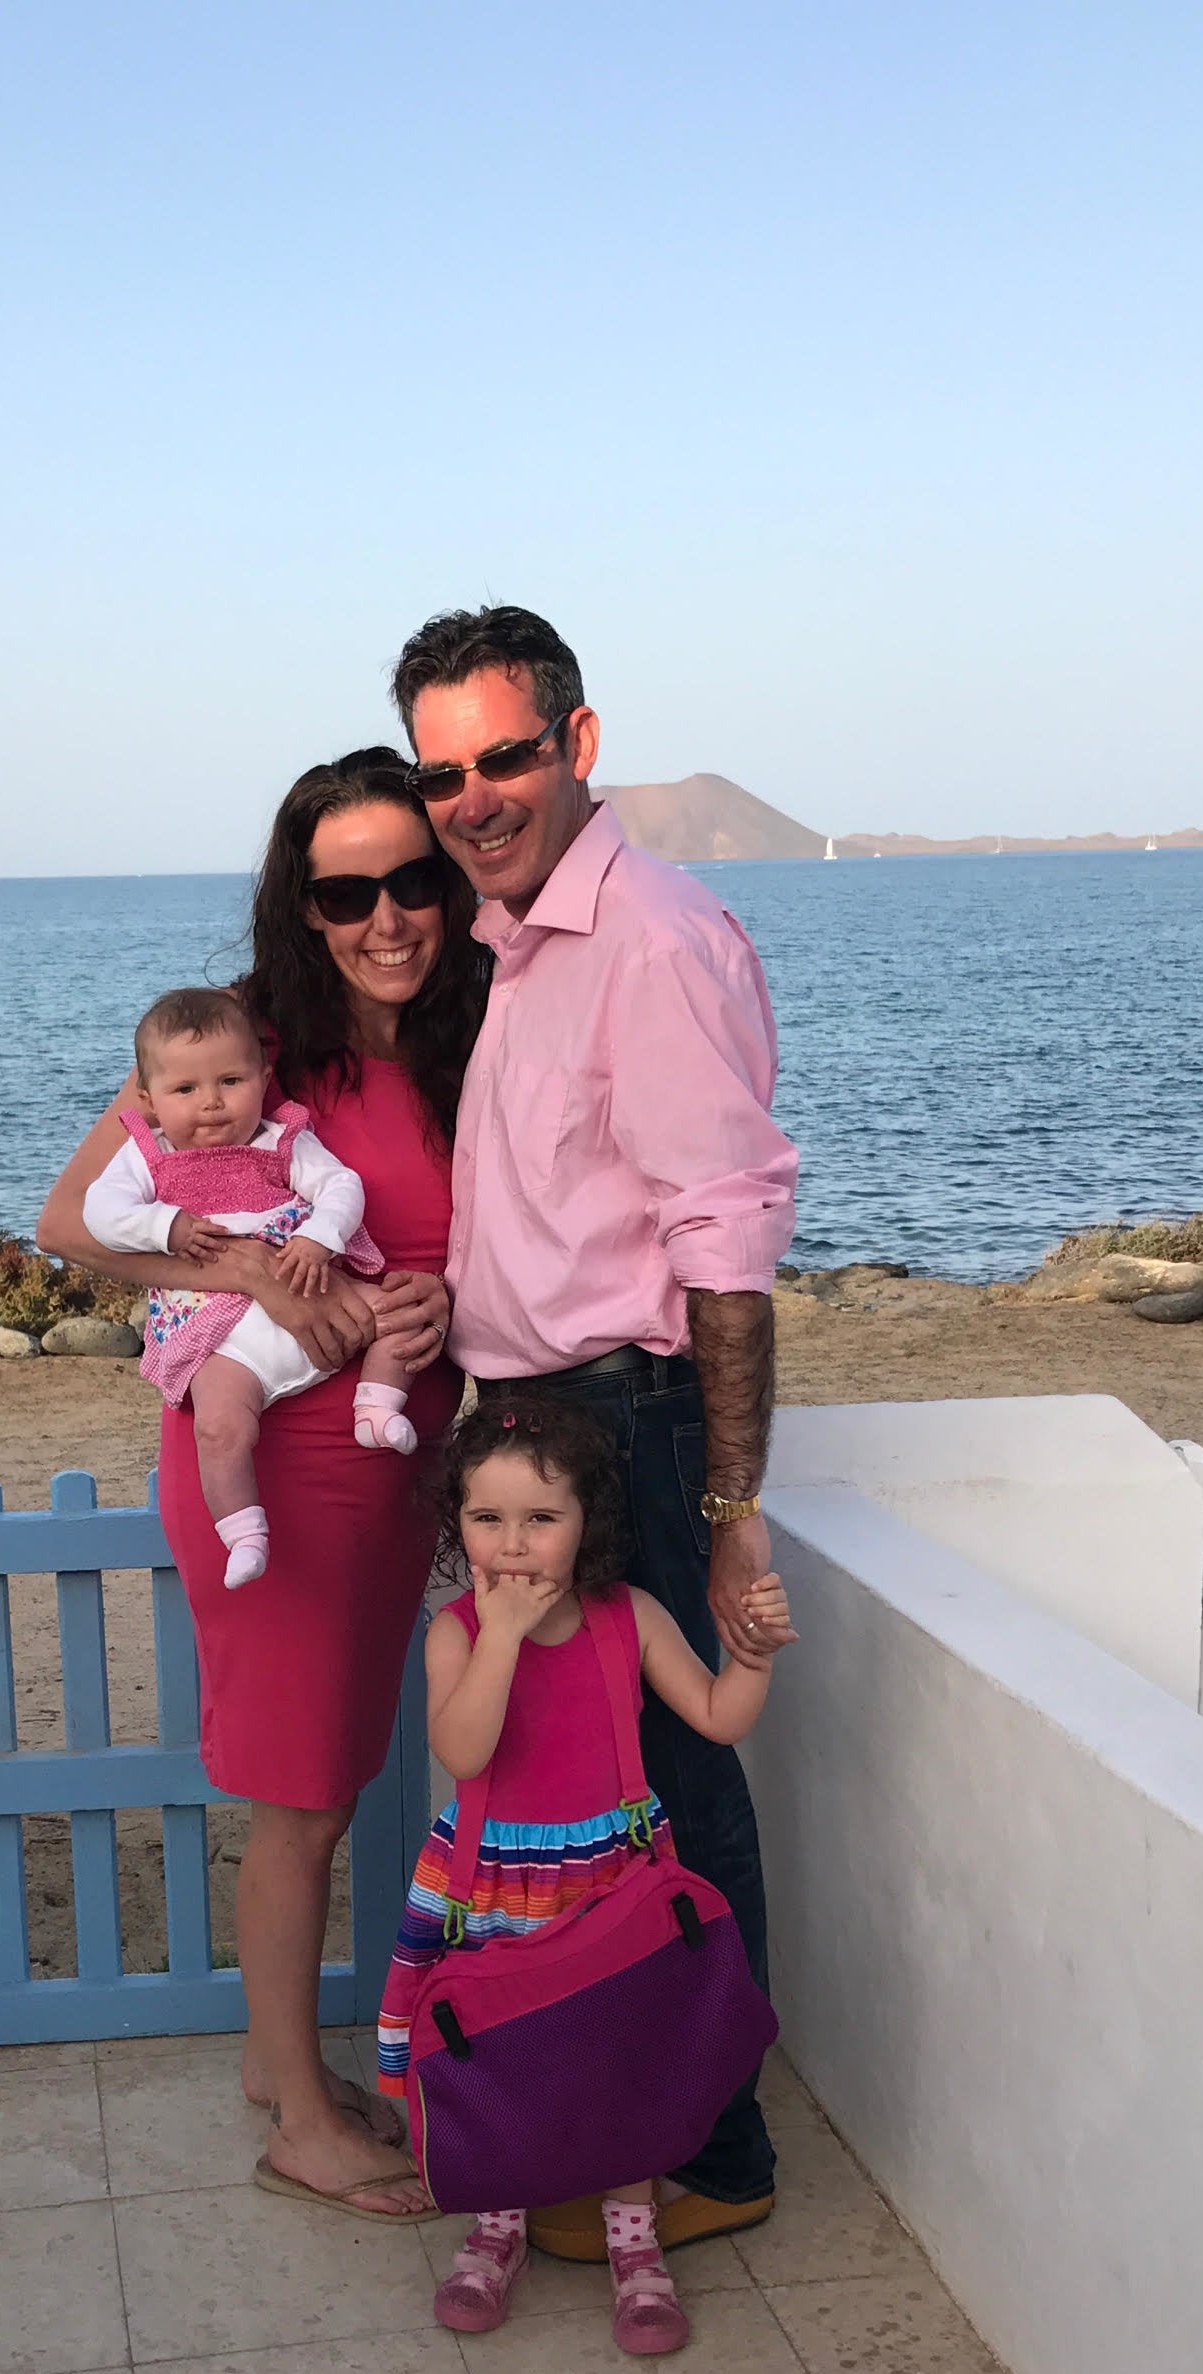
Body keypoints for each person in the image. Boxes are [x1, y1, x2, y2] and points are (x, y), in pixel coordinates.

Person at [392, 603, 800, 2262]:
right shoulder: (523, 940)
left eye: (503, 757)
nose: (476, 796)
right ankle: (630, 2116)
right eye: (445, 773)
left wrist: (728, 1504)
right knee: (597, 1807)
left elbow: (726, 1243)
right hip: (540, 1421)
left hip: (628, 1425)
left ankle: (723, 2150)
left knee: (678, 1801)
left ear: (577, 743)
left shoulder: (647, 936)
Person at [39, 749, 486, 2216]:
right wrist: (254, 1279)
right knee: (296, 1792)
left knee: (337, 1766)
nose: (385, 918)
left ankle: (273, 2062)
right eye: (345, 891)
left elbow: (467, 1253)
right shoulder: (240, 1045)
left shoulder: (471, 1039)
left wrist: (422, 1312)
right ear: (301, 903)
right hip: (266, 1460)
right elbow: (74, 1222)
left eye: (410, 881)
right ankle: (298, 2113)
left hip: (385, 1451)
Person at [377, 1399, 794, 2349]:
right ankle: (498, 2223)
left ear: (586, 1526)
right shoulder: (454, 1634)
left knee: (619, 2050)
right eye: (488, 1520)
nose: (514, 1545)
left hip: (611, 1880)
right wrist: (502, 1637)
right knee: (506, 2048)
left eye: (541, 1519)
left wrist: (755, 1656)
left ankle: (634, 2239)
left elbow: (721, 1716)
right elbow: (465, 1748)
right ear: (458, 1526)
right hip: (493, 1887)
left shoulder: (628, 1618)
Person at [82, 987, 423, 1590]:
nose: (210, 1104)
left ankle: (377, 1403)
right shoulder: (146, 1158)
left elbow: (342, 1185)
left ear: (265, 1078)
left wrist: (321, 1235)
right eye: (185, 1090)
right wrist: (166, 1225)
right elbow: (98, 1213)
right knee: (218, 1427)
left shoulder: (281, 1140)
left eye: (231, 1081)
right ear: (149, 1101)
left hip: (311, 1284)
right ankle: (243, 1532)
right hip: (222, 1335)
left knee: (400, 1316)